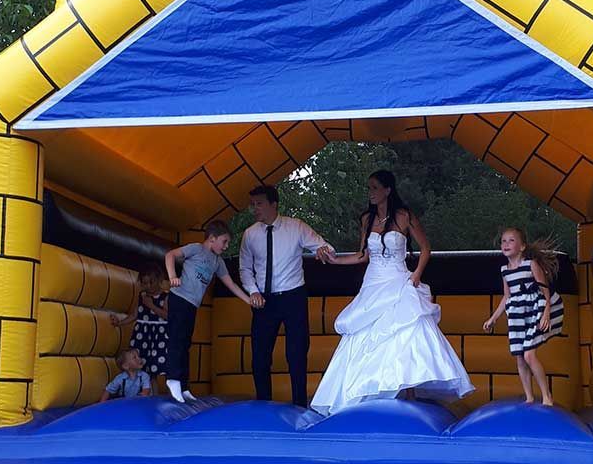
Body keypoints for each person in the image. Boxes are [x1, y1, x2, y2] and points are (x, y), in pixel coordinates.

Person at [311, 170, 474, 415]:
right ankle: (366, 392)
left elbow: (426, 248)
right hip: (373, 283)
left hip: (398, 279)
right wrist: (335, 261)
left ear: (388, 190)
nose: (371, 193)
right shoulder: (367, 219)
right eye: (369, 188)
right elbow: (363, 255)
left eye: (375, 188)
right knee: (365, 335)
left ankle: (409, 392)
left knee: (405, 331)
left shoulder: (404, 216)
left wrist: (417, 273)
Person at [239, 185, 332, 407]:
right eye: (253, 204)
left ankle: (299, 405)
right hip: (263, 300)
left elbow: (325, 246)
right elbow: (244, 268)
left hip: (293, 297)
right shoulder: (250, 234)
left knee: (297, 354)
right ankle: (264, 406)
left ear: (274, 205)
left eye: (259, 204)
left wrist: (323, 251)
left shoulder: (296, 227)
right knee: (260, 357)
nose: (255, 209)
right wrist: (252, 291)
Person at [164, 220, 255, 403]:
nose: (226, 246)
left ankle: (184, 385)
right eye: (224, 241)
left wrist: (248, 300)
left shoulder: (217, 262)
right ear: (212, 239)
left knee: (186, 343)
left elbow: (231, 284)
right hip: (179, 298)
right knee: (177, 339)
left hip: (192, 304)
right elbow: (170, 255)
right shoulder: (196, 249)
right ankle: (172, 379)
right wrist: (172, 276)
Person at [483, 228, 564, 406]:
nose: (506, 244)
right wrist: (493, 318)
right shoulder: (504, 270)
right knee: (519, 356)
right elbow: (507, 297)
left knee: (529, 355)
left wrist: (547, 312)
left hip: (536, 309)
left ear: (522, 247)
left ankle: (547, 396)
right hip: (518, 313)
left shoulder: (531, 265)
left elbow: (545, 290)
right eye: (503, 241)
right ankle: (529, 396)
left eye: (511, 241)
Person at [128, 267, 169, 393]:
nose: (148, 286)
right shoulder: (142, 296)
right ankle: (153, 395)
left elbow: (166, 315)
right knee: (147, 368)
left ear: (160, 281)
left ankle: (172, 395)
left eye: (151, 282)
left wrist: (150, 305)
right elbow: (136, 314)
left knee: (163, 364)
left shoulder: (166, 297)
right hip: (143, 334)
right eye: (145, 283)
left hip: (159, 334)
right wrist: (120, 323)